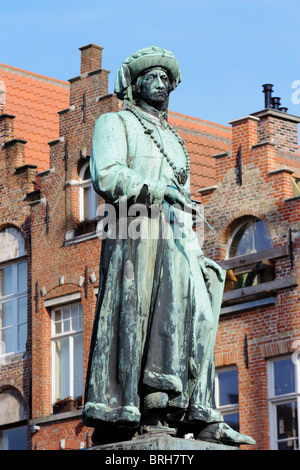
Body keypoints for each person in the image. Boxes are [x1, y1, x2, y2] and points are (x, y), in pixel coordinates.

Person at [82, 46, 255, 447]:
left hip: (178, 239)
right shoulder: (115, 122)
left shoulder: (175, 140)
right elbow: (106, 176)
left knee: (195, 314)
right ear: (136, 83)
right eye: (151, 76)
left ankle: (199, 411)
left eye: (166, 78)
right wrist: (158, 191)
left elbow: (187, 201)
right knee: (149, 317)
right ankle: (151, 405)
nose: (160, 83)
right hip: (136, 233)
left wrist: (197, 252)